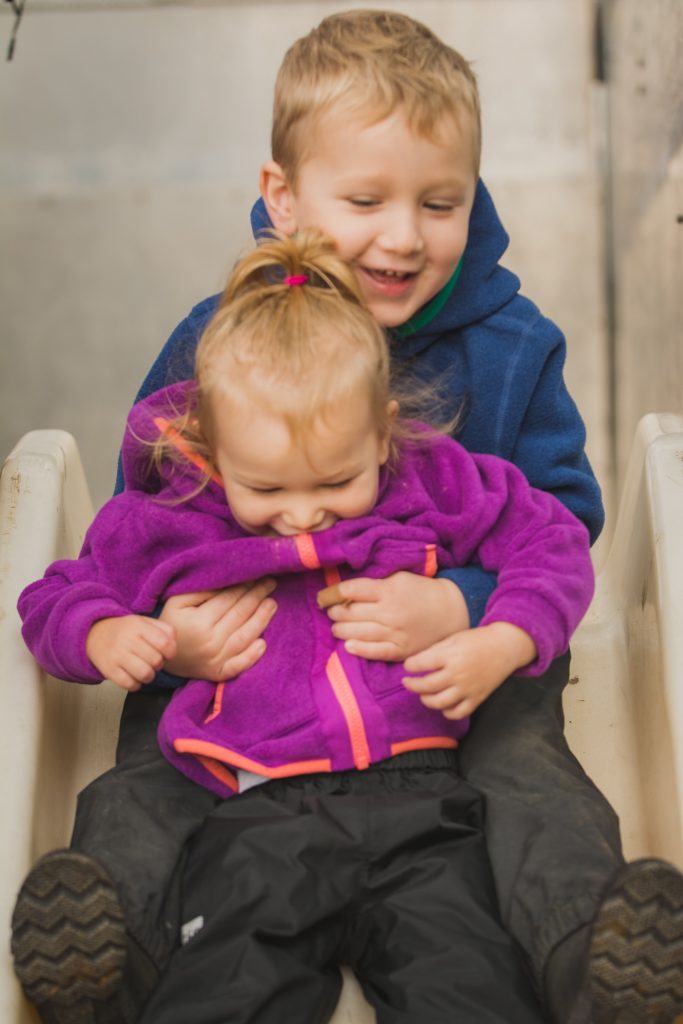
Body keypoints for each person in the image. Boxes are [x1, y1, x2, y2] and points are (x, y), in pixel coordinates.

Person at [11, 9, 683, 1024]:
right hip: (243, 665)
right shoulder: (218, 342)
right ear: (281, 196)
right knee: (147, 772)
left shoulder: (506, 343)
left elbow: (556, 514)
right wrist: (169, 636)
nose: (403, 235)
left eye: (439, 201)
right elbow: (139, 516)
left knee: (526, 769)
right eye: (364, 198)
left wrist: (463, 608)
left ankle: (589, 956)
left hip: (453, 666)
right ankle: (116, 955)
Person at [17, 229, 597, 1023]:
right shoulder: (172, 520)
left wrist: (500, 635)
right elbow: (55, 594)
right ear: (214, 453)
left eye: (336, 478)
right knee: (229, 981)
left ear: (382, 431)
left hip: (425, 805)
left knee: (469, 984)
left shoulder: (429, 479)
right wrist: (108, 637)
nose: (301, 512)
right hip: (258, 813)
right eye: (264, 487)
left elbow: (551, 537)